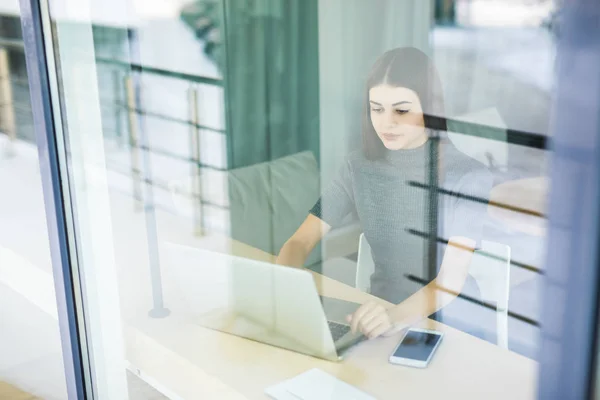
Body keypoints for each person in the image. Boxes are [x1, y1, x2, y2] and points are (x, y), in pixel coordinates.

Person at [277, 47, 493, 340]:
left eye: (401, 110)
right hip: (377, 318)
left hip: (450, 325)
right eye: (376, 108)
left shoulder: (469, 177)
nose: (386, 122)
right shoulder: (358, 167)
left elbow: (449, 283)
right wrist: (283, 282)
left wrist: (391, 319)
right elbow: (302, 239)